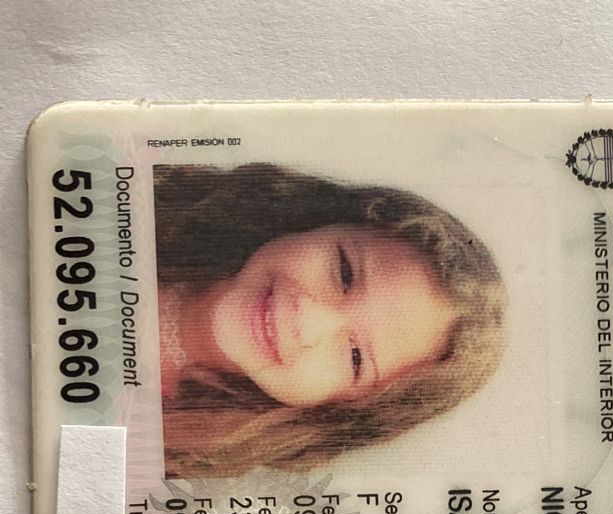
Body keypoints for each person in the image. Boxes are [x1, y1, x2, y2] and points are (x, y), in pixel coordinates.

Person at [154, 163, 507, 476]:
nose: (309, 319)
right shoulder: (143, 198)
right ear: (322, 221)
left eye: (356, 358)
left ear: (338, 411)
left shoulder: (167, 455)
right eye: (345, 272)